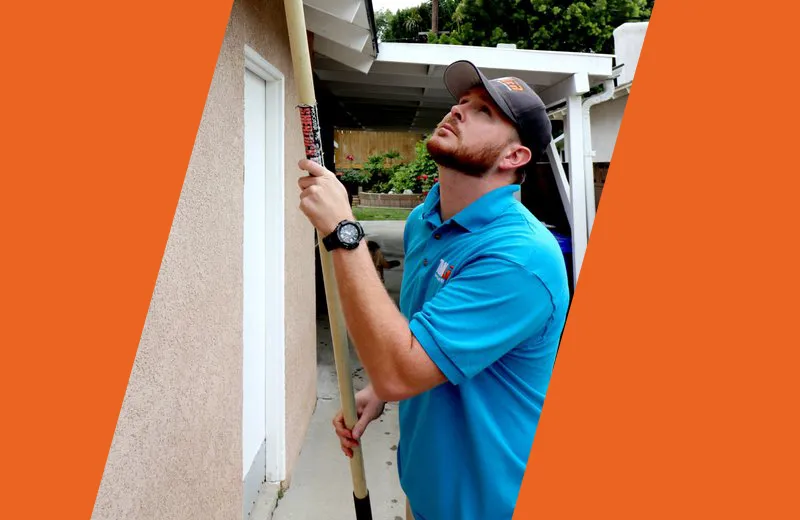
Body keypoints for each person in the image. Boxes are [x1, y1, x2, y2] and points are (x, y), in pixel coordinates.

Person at [296, 60, 570, 520]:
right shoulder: (424, 222)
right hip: (423, 492)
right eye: (461, 100)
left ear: (514, 157)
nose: (458, 110)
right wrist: (381, 394)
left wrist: (343, 231)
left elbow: (400, 369)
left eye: (483, 110)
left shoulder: (520, 257)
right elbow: (415, 339)